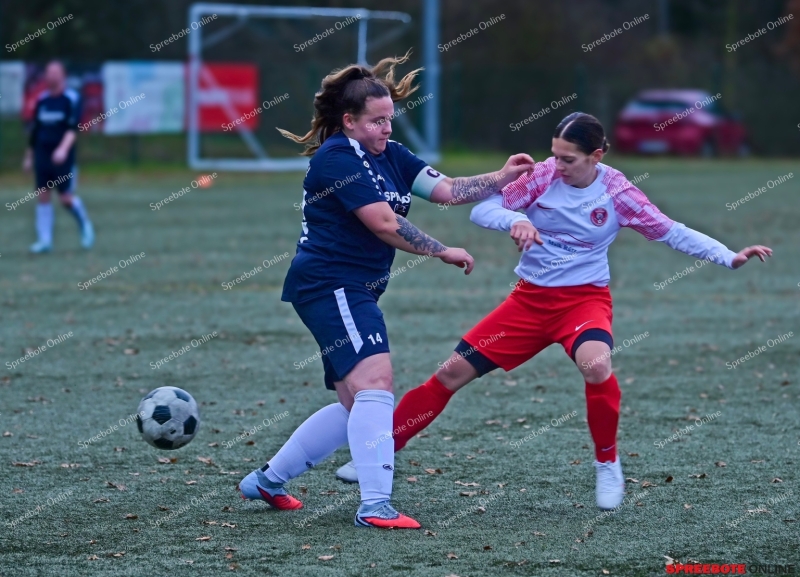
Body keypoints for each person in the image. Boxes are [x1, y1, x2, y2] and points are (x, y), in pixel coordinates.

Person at [334, 112, 772, 511]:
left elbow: (670, 231)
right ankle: (380, 453)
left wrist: (728, 256)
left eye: (569, 159)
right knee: (449, 374)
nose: (557, 166)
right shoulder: (542, 176)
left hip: (584, 301)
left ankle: (608, 465)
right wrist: (515, 220)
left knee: (596, 366)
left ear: (596, 156)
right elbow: (484, 210)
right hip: (528, 302)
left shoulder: (618, 193)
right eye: (555, 155)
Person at [237, 52, 535, 529]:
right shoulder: (336, 158)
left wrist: (501, 177)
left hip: (350, 288)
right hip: (333, 283)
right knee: (376, 384)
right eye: (376, 122)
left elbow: (449, 190)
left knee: (355, 403)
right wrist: (441, 250)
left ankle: (267, 481)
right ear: (349, 121)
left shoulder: (390, 154)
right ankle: (375, 505)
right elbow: (382, 223)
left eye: (389, 120)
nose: (386, 130)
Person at [24, 60, 93, 253]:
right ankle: (44, 240)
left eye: (55, 72)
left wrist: (63, 149)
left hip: (64, 157)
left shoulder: (71, 98)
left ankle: (84, 224)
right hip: (42, 155)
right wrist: (29, 156)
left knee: (65, 199)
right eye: (48, 72)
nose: (51, 75)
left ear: (63, 75)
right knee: (43, 196)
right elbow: (35, 131)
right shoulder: (42, 100)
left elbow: (73, 129)